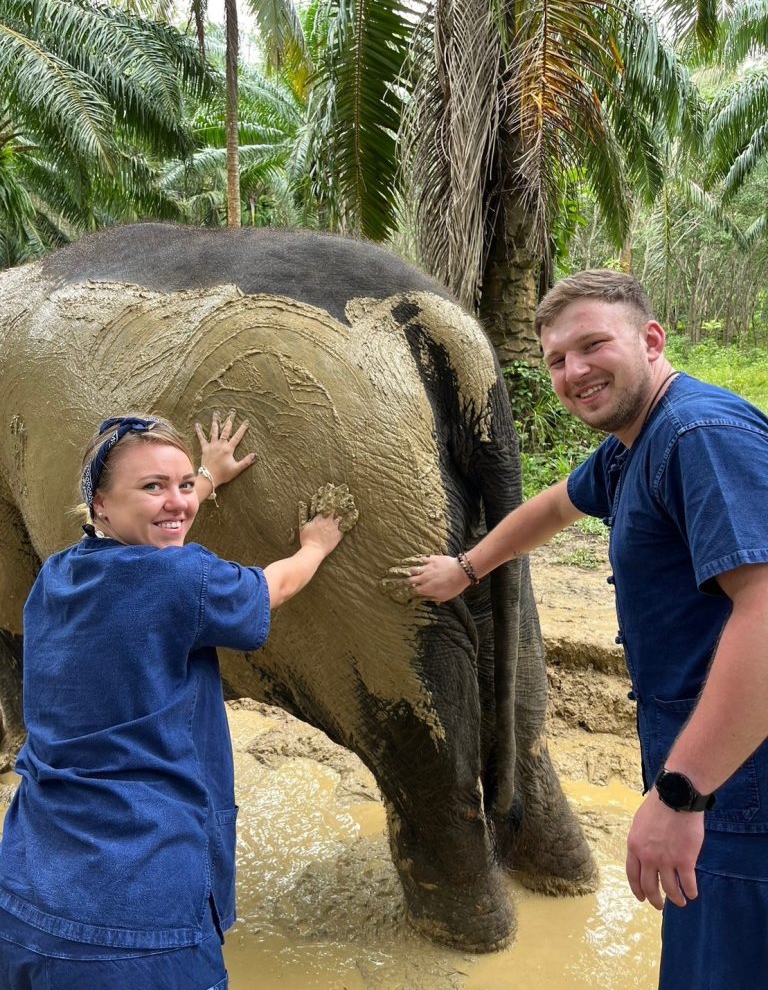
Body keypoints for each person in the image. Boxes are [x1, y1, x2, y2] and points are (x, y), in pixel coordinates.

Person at [405, 270, 768, 989]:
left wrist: (683, 793)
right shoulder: (637, 443)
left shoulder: (700, 435)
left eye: (593, 345)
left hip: (735, 779)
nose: (574, 373)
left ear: (652, 340)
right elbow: (553, 506)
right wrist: (466, 568)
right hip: (710, 760)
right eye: (557, 361)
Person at [0, 409, 346, 990]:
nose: (178, 502)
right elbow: (273, 586)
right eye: (153, 486)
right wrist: (315, 544)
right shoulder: (183, 578)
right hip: (140, 922)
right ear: (101, 506)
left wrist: (201, 481)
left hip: (23, 903)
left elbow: (149, 540)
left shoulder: (57, 575)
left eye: (182, 485)